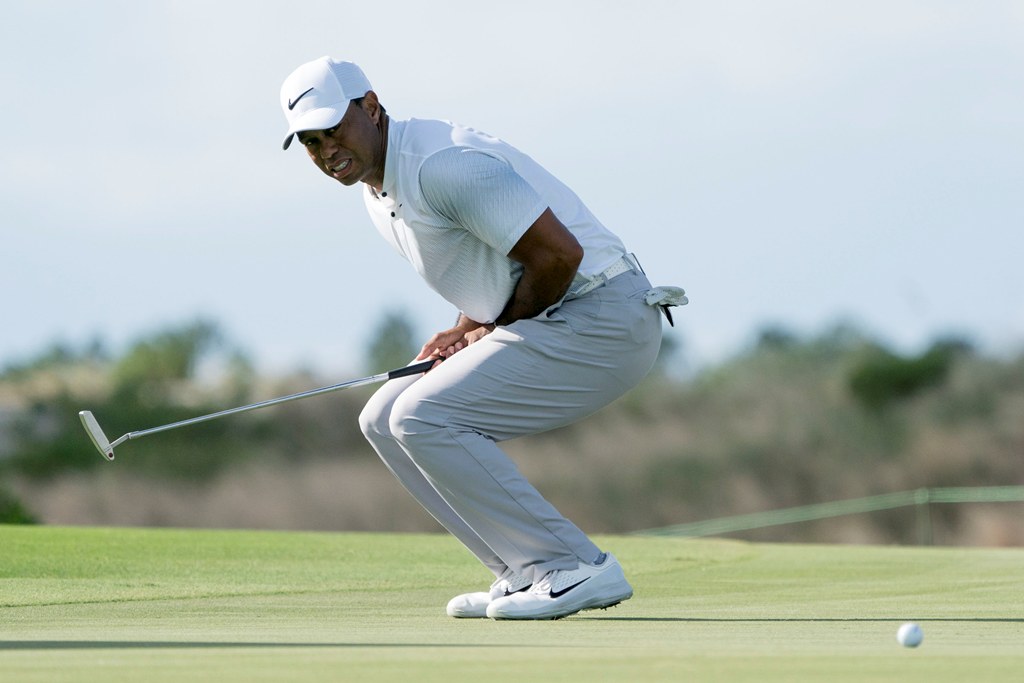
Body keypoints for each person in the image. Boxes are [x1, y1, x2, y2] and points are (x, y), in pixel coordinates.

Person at [279, 56, 686, 620]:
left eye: (334, 130)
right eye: (310, 142)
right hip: (563, 313)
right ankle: (522, 571)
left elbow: (558, 257)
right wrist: (465, 327)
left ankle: (571, 567)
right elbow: (497, 265)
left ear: (370, 108)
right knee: (381, 418)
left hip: (605, 315)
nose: (327, 151)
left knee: (421, 414)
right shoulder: (379, 190)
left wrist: (492, 328)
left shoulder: (442, 166)